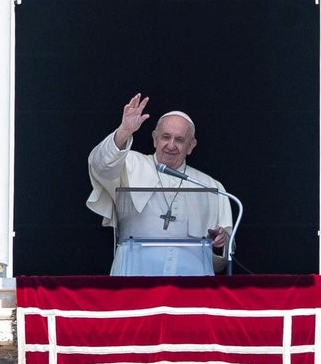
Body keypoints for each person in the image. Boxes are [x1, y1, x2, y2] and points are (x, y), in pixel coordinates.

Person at [87, 93, 233, 275]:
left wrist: (220, 244)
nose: (171, 145)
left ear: (191, 145)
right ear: (155, 138)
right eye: (165, 137)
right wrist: (124, 131)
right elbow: (100, 165)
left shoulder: (212, 187)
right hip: (135, 277)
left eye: (179, 140)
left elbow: (220, 260)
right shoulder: (130, 164)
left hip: (190, 285)